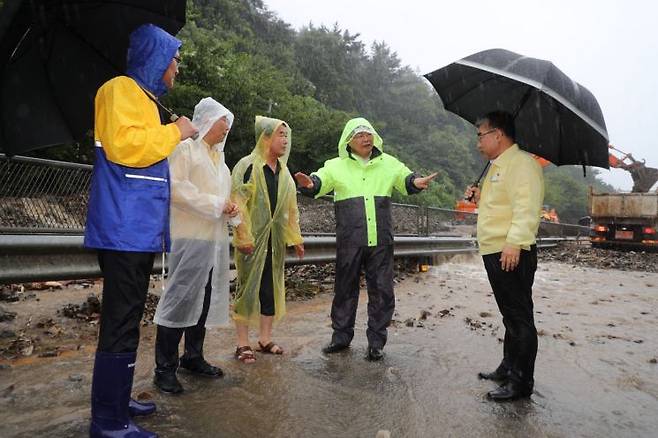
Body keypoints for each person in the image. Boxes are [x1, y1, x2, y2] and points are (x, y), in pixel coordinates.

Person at [84, 24, 198, 438]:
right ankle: (109, 422)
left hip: (136, 229)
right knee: (120, 319)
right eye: (174, 58)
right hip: (123, 229)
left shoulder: (145, 100)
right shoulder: (119, 89)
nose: (177, 67)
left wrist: (171, 128)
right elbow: (125, 147)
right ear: (155, 57)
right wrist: (176, 132)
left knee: (129, 318)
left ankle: (118, 399)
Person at [294, 117, 436, 361]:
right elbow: (319, 181)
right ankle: (340, 338)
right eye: (359, 135)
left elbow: (406, 178)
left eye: (368, 133)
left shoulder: (387, 163)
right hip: (350, 239)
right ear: (348, 141)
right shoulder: (335, 165)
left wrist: (416, 181)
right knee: (344, 289)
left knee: (382, 290)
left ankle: (376, 342)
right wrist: (310, 183)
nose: (366, 138)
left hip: (381, 239)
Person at [152, 97, 238, 394]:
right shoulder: (186, 149)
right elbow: (175, 189)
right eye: (221, 120)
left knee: (201, 299)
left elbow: (218, 200)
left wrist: (230, 211)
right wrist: (216, 204)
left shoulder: (221, 164)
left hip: (212, 241)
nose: (226, 127)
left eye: (228, 122)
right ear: (206, 121)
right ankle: (164, 367)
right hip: (188, 236)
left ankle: (193, 356)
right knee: (179, 299)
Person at [464, 111, 544, 401]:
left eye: (480, 135)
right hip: (496, 248)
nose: (478, 143)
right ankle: (508, 367)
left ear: (498, 134)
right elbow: (501, 207)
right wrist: (480, 198)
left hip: (510, 251)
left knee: (519, 317)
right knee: (509, 315)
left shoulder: (522, 165)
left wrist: (515, 243)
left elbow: (527, 208)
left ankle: (521, 383)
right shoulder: (498, 166)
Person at [231, 116, 304, 363]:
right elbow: (238, 204)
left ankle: (264, 338)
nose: (285, 140)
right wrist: (243, 236)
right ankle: (242, 343)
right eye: (279, 135)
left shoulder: (284, 174)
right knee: (246, 289)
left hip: (275, 242)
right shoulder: (248, 166)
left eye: (286, 135)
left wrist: (296, 238)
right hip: (252, 241)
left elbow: (290, 209)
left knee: (269, 290)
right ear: (265, 137)